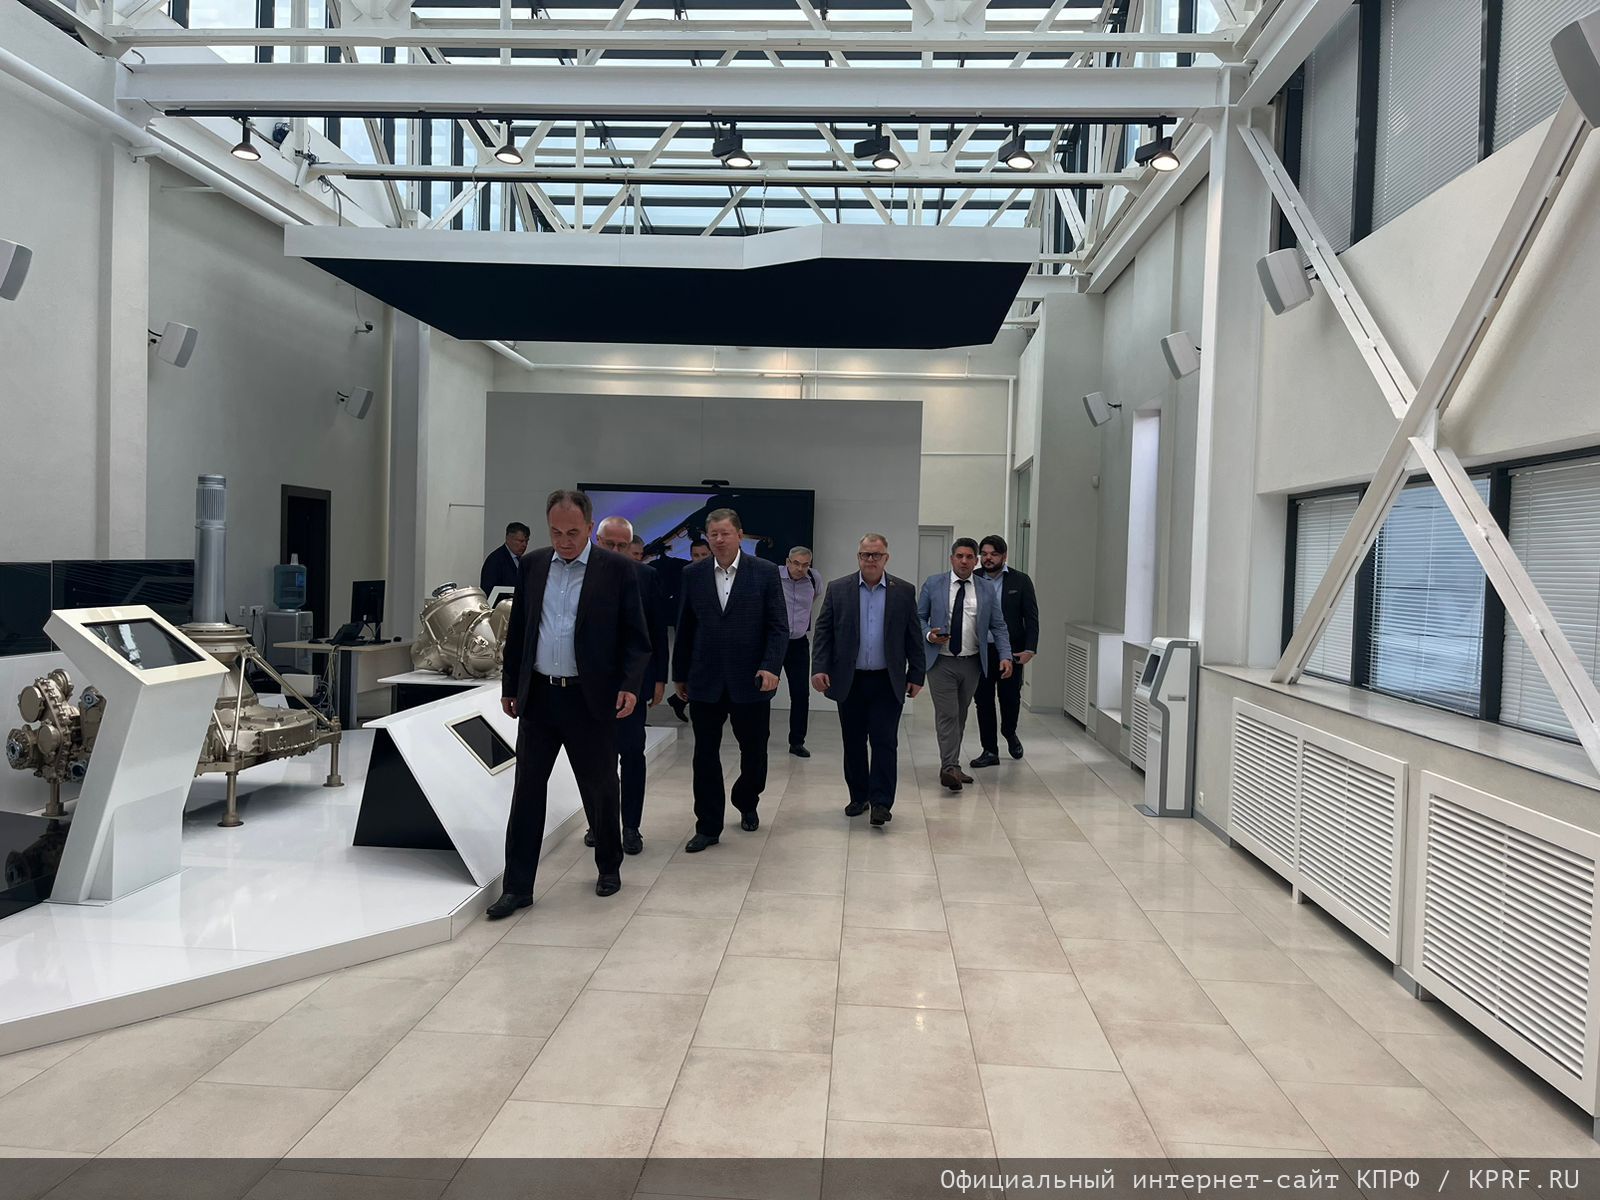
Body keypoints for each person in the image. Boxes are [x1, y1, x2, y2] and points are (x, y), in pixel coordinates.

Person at [488, 491, 651, 919]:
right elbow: (519, 631)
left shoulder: (616, 569)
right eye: (556, 532)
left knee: (601, 788)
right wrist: (511, 685)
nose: (564, 541)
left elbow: (636, 638)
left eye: (573, 532)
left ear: (590, 528)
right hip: (540, 697)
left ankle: (608, 867)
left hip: (589, 698)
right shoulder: (533, 565)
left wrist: (630, 685)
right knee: (527, 793)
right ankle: (517, 887)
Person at [673, 508, 787, 852]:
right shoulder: (692, 574)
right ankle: (708, 826)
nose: (719, 540)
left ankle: (746, 797)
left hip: (751, 679)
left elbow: (778, 626)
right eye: (714, 534)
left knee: (755, 750)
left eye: (725, 533)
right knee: (704, 754)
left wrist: (771, 666)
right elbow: (685, 627)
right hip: (705, 679)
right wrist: (680, 674)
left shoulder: (764, 572)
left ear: (739, 535)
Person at [810, 534, 925, 827]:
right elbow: (824, 633)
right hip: (850, 680)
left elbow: (913, 636)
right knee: (854, 741)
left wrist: (917, 674)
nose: (870, 560)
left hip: (887, 681)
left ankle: (881, 803)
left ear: (886, 558)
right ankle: (859, 796)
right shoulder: (838, 589)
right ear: (858, 557)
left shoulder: (903, 591)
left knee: (885, 742)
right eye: (865, 554)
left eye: (876, 555)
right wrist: (819, 668)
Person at [587, 519, 668, 857]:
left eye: (623, 546)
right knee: (594, 758)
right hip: (589, 684)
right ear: (597, 540)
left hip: (633, 684)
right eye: (610, 545)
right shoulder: (581, 575)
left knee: (632, 754)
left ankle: (631, 826)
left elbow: (657, 631)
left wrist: (660, 677)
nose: (616, 551)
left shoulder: (646, 577)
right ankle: (598, 823)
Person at [917, 538, 1012, 792]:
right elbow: (918, 617)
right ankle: (949, 767)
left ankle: (952, 765)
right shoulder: (934, 583)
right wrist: (929, 635)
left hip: (972, 662)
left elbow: (998, 625)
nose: (964, 561)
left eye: (969, 557)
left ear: (976, 561)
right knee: (948, 713)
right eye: (959, 556)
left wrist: (1005, 655)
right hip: (941, 661)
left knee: (960, 714)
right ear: (951, 559)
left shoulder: (986, 588)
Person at [972, 534, 1040, 767]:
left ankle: (1009, 732)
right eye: (984, 554)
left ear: (1004, 556)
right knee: (983, 701)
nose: (988, 558)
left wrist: (1030, 649)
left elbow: (1031, 618)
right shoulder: (973, 578)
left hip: (1011, 651)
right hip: (981, 650)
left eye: (994, 554)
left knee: (1010, 698)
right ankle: (989, 750)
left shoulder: (1020, 581)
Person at [778, 546, 822, 757]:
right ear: (788, 562)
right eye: (796, 563)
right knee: (763, 690)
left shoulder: (814, 579)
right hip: (774, 642)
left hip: (798, 643)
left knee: (801, 693)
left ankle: (797, 742)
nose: (800, 569)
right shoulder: (774, 576)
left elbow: (813, 599)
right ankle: (758, 736)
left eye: (805, 565)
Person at [480, 522, 529, 596]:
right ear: (508, 539)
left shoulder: (523, 560)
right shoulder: (495, 560)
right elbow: (488, 591)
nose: (524, 545)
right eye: (520, 541)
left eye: (527, 541)